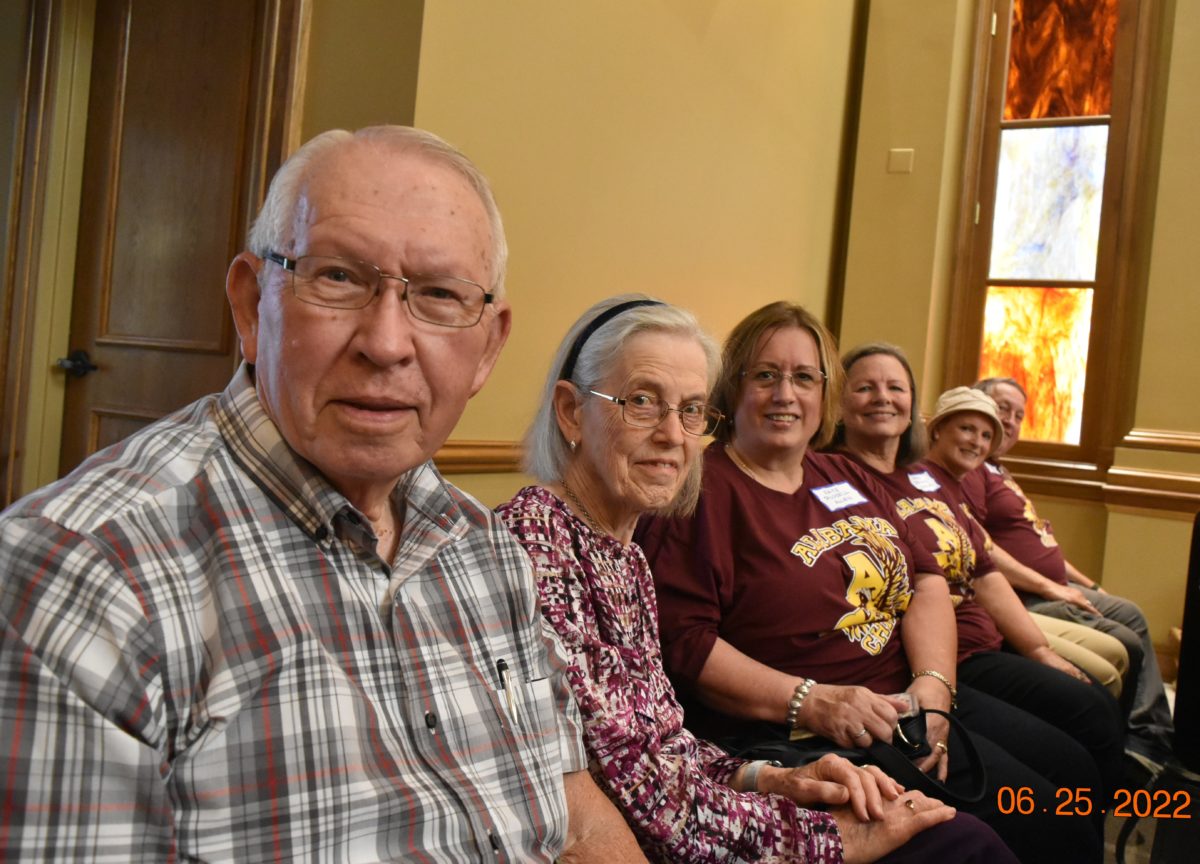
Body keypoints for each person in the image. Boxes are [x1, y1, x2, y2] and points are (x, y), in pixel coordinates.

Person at [0, 126, 645, 862]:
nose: (388, 342)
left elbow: (573, 814)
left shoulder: (487, 551)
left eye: (437, 295)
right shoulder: (80, 576)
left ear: (488, 348)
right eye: (338, 277)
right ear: (250, 305)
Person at [497, 296, 1012, 863]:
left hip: (727, 792)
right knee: (965, 843)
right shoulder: (535, 544)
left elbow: (664, 746)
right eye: (642, 402)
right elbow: (636, 791)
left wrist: (768, 778)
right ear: (571, 412)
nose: (674, 435)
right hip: (660, 836)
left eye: (692, 410)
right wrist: (821, 839)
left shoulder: (623, 551)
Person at [639, 302, 1105, 863]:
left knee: (1074, 773)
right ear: (730, 389)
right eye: (765, 375)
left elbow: (927, 578)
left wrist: (935, 685)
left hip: (911, 699)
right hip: (814, 731)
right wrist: (812, 702)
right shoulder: (699, 494)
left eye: (805, 377)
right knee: (1041, 827)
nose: (787, 394)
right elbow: (686, 645)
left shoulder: (844, 473)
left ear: (823, 393)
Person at [832, 349, 1126, 832]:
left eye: (896, 388)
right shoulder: (834, 478)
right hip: (933, 665)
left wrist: (1037, 648)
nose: (882, 398)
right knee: (1067, 768)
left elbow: (985, 568)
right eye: (865, 387)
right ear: (838, 403)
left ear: (914, 406)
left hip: (968, 649)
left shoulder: (925, 476)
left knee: (1090, 718)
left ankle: (1105, 829)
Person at [969, 375, 1177, 767]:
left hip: (1053, 584)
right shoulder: (973, 470)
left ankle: (1150, 733)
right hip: (1028, 595)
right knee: (1123, 638)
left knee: (1128, 610)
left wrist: (1086, 585)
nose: (1010, 422)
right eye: (1002, 410)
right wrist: (1054, 588)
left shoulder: (1001, 472)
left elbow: (1042, 543)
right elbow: (984, 550)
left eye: (1018, 414)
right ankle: (1143, 740)